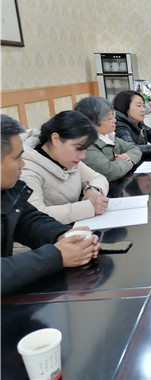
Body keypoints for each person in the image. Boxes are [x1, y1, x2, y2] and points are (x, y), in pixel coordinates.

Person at [1, 114, 99, 295]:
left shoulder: (6, 190)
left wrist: (61, 235)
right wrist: (56, 256)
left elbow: (28, 219)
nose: (22, 164)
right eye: (17, 158)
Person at [19, 110, 110, 225]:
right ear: (56, 139)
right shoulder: (27, 169)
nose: (83, 156)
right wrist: (89, 207)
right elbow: (36, 216)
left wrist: (93, 191)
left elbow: (97, 177)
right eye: (78, 148)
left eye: (86, 150)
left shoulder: (67, 159)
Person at [74, 96, 142, 182]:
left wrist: (128, 157)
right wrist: (129, 161)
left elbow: (134, 148)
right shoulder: (86, 145)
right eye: (109, 118)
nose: (115, 120)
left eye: (113, 115)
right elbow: (110, 172)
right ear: (92, 122)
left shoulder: (108, 136)